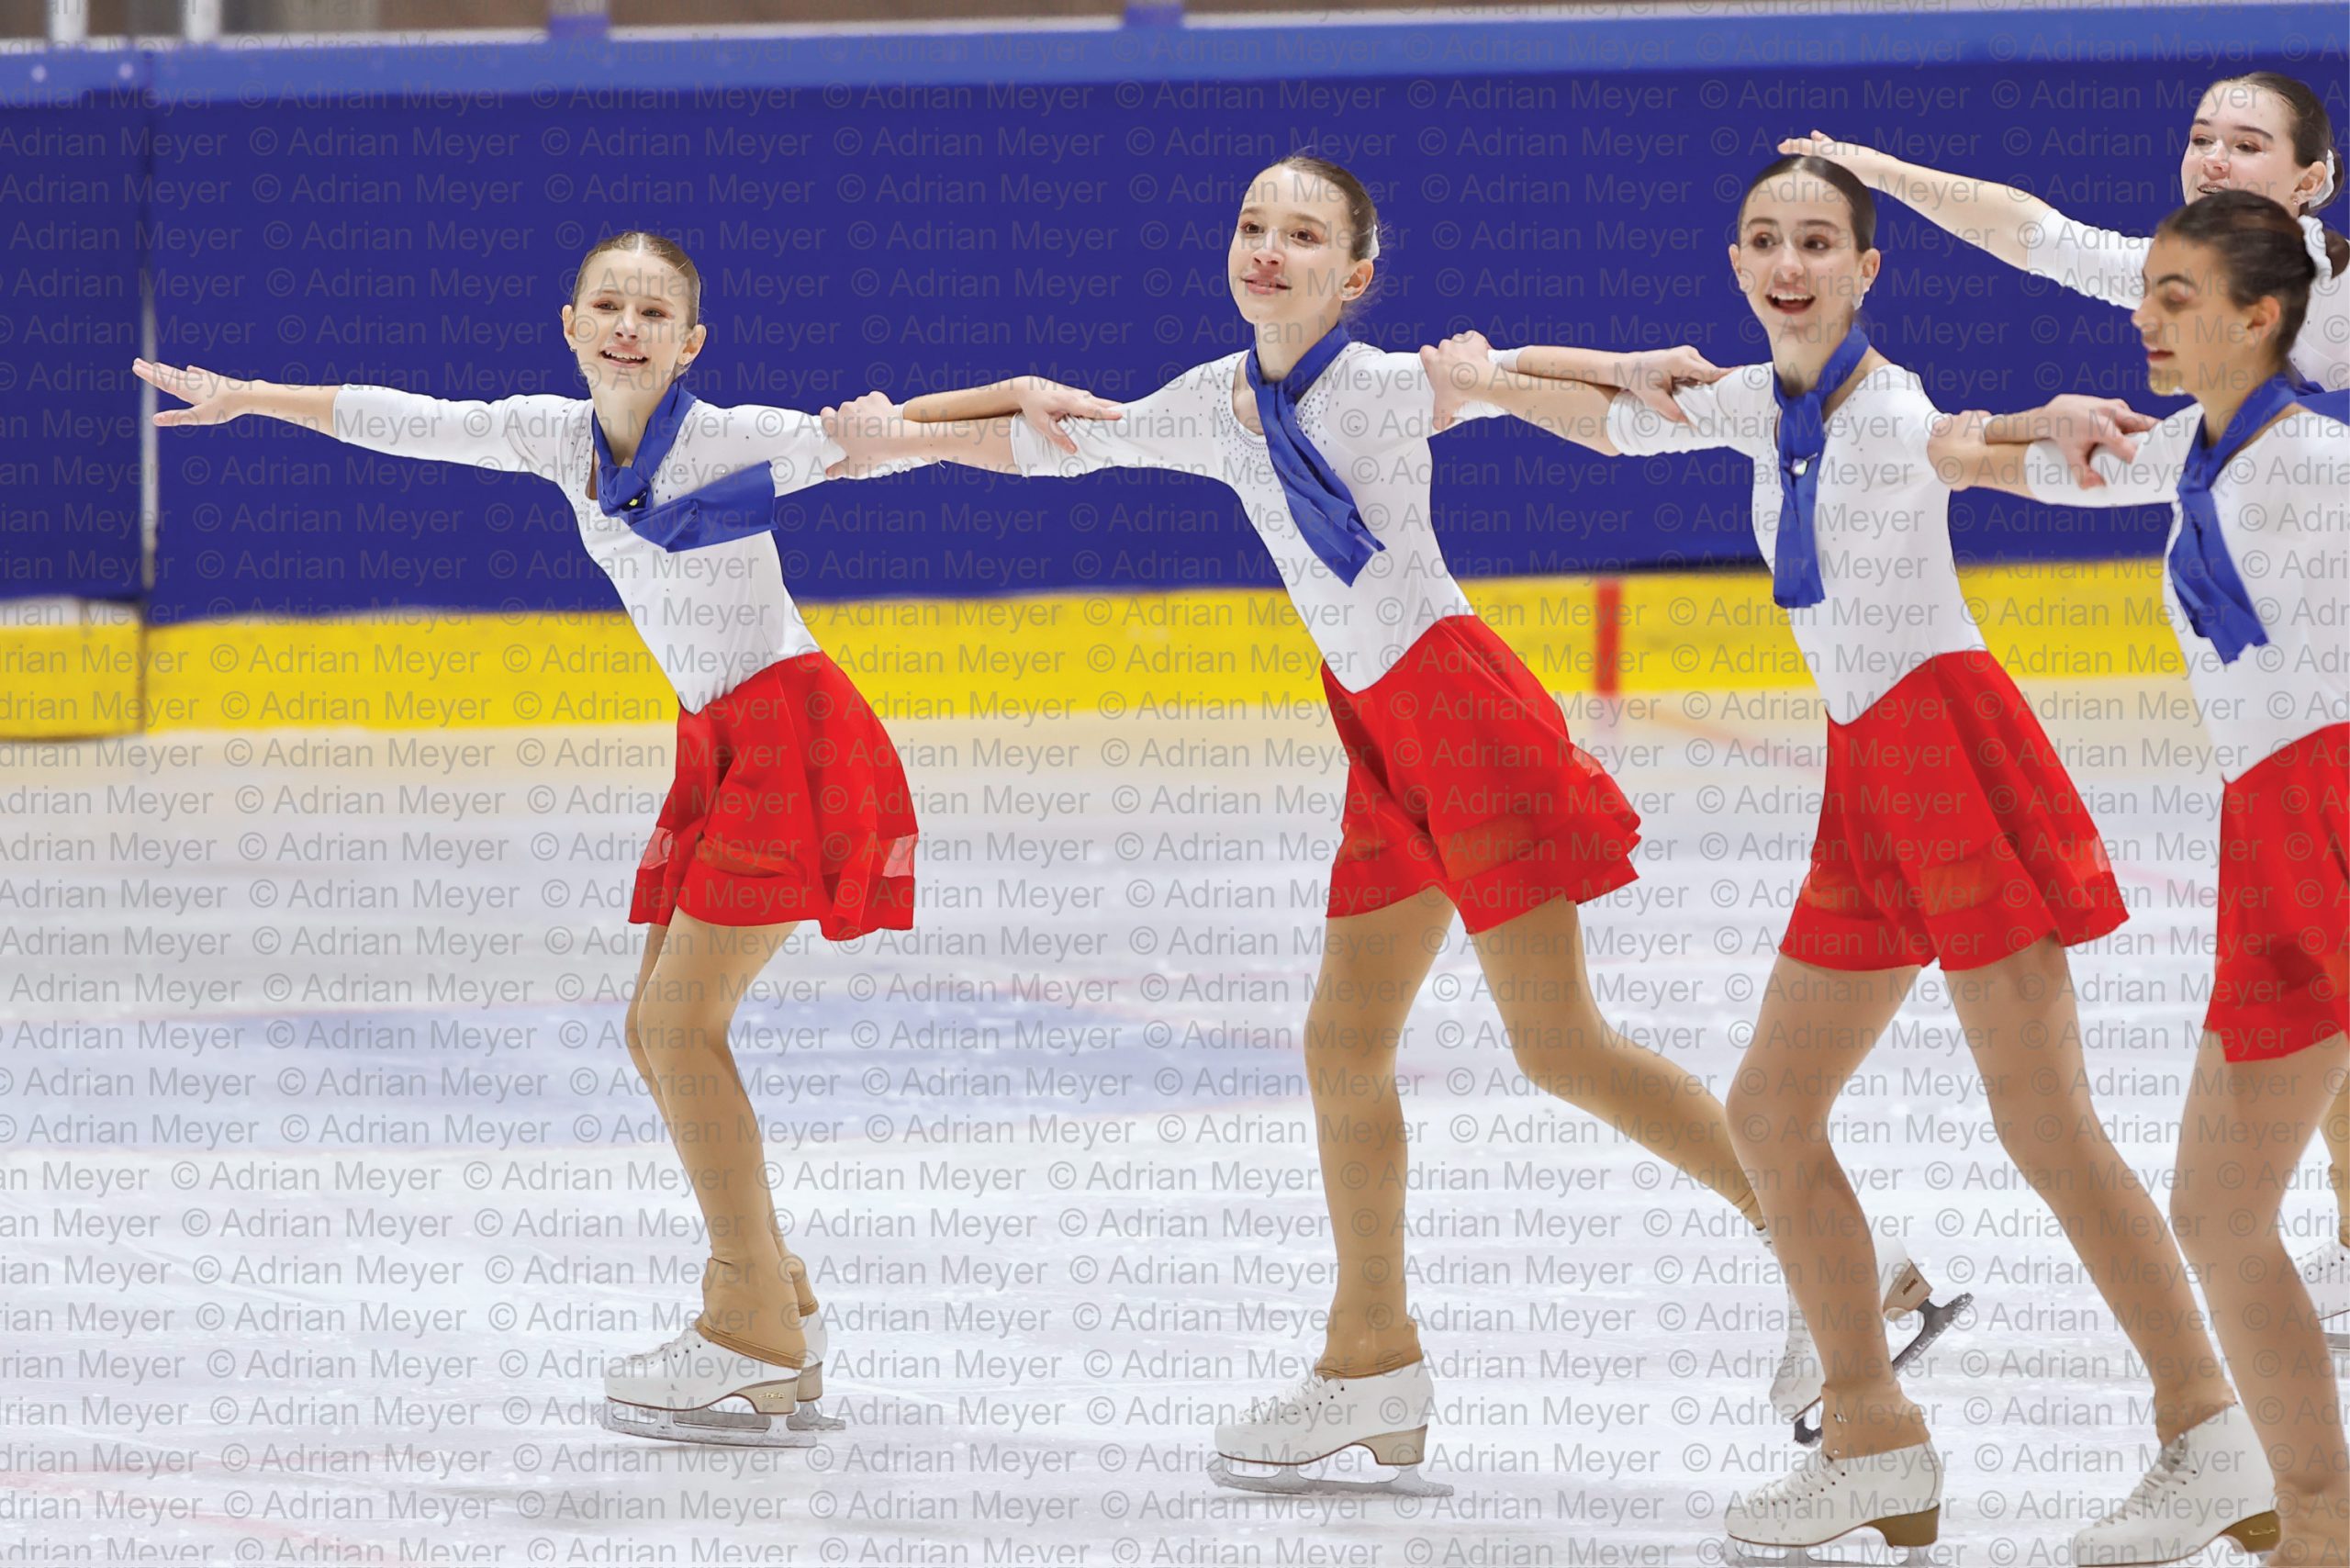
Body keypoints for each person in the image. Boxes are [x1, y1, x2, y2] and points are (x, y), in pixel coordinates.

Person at [822, 152, 1790, 1497]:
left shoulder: (1381, 389)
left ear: (1356, 276)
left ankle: (1828, 1257)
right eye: (1252, 226)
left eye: (1305, 236)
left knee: (1561, 1044)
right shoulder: (1215, 403)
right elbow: (1058, 441)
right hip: (1384, 734)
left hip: (1461, 714)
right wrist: (905, 434)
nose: (1269, 251)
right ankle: (1372, 1359)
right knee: (1343, 1047)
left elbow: (1511, 375)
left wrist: (1619, 365)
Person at [1422, 155, 2253, 1555]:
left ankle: (2208, 1427)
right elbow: (1621, 421)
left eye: (1818, 242)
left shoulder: (1892, 410)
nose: (1789, 264)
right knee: (1770, 1112)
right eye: (1764, 240)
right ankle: (1872, 1438)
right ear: (1737, 264)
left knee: (2048, 1129)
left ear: (1869, 270)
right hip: (1868, 771)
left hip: (1947, 752)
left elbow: (1966, 443)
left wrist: (2035, 424)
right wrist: (1499, 375)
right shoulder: (1768, 405)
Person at [132, 230, 969, 1449]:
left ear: (691, 344)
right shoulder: (555, 436)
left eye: (654, 313)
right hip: (723, 740)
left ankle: (750, 1330)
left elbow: (880, 444)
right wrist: (254, 396)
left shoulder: (733, 439)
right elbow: (414, 420)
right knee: (657, 1029)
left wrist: (940, 421)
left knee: (677, 1028)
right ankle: (777, 1294)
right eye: (607, 306)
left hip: (793, 736)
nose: (628, 327)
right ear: (571, 327)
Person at [1930, 188, 2348, 1568]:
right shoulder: (2197, 454)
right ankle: (2322, 1522)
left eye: (2179, 298)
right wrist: (1978, 434)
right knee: (2221, 1215)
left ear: (2261, 316)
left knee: (2223, 1214)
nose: (2147, 319)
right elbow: (2011, 466)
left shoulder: (2319, 469)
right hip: (2272, 842)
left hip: (2332, 819)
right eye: (2145, 293)